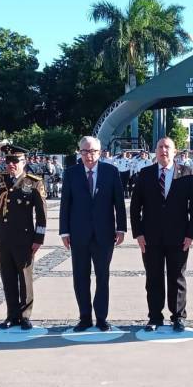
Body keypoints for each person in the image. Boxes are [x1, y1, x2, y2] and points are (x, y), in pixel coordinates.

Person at [0, 144, 46, 330]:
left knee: (25, 278)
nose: (11, 164)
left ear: (24, 162)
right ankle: (12, 314)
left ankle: (25, 315)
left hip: (25, 238)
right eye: (8, 161)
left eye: (15, 161)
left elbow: (41, 214)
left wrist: (38, 239)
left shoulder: (33, 182)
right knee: (8, 277)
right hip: (3, 237)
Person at [130, 137, 193, 332]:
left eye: (167, 147)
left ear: (175, 151)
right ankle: (155, 316)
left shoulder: (186, 174)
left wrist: (191, 234)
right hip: (150, 237)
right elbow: (135, 207)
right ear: (155, 150)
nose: (164, 150)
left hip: (179, 237)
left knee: (177, 277)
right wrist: (138, 234)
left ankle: (178, 316)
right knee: (153, 277)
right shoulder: (145, 174)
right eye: (160, 146)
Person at [59, 136, 127, 332]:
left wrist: (121, 228)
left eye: (93, 151)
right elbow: (65, 204)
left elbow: (119, 203)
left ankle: (102, 317)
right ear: (79, 152)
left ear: (100, 152)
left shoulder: (111, 172)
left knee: (102, 277)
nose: (89, 156)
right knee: (80, 277)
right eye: (85, 151)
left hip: (104, 234)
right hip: (78, 234)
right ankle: (85, 317)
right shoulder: (71, 173)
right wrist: (64, 231)